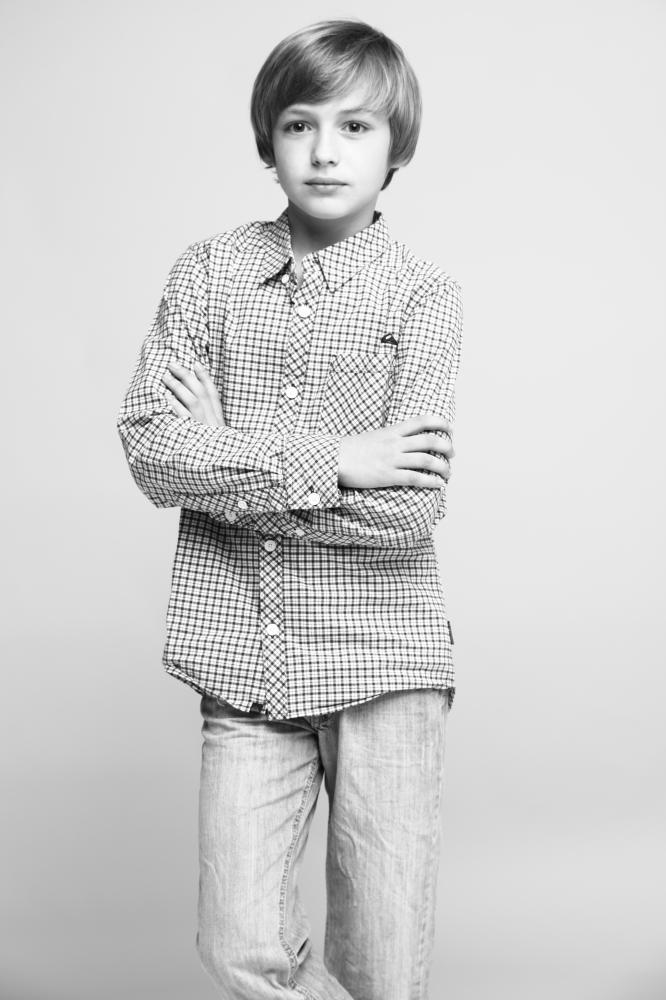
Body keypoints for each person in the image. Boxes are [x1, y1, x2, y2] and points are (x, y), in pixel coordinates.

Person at [117, 18, 463, 1000]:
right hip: (243, 660)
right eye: (301, 124)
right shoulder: (206, 274)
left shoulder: (425, 298)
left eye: (356, 127)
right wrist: (341, 460)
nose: (324, 150)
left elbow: (409, 514)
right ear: (267, 140)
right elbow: (151, 450)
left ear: (396, 147)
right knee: (239, 946)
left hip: (384, 664)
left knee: (381, 964)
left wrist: (227, 456)